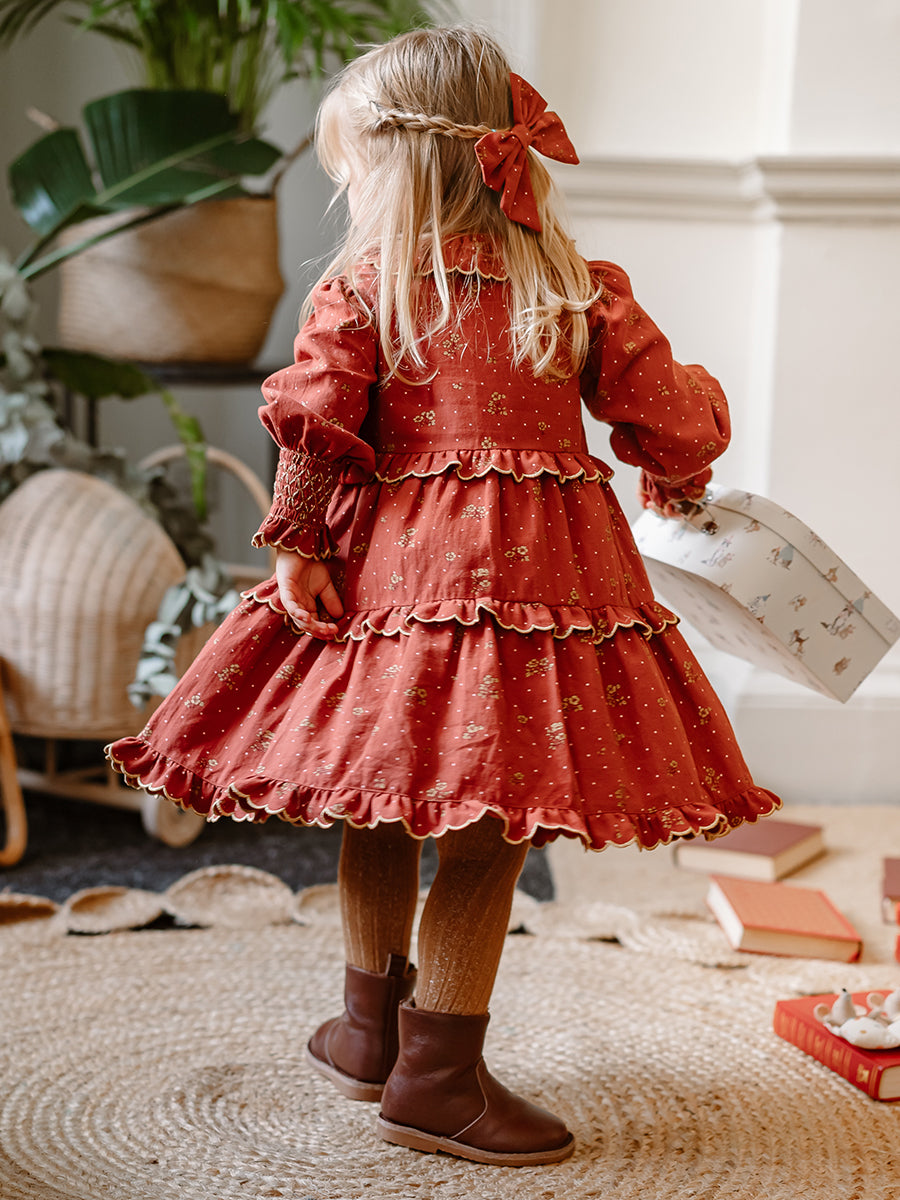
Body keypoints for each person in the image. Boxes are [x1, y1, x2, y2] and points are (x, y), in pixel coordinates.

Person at [108, 25, 781, 1167]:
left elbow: (316, 419)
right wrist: (680, 465)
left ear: (401, 165)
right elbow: (672, 417)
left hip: (393, 580)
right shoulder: (573, 288)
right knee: (483, 824)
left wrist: (300, 542)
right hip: (535, 586)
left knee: (385, 798)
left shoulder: (366, 285)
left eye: (354, 169)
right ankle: (422, 1066)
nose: (350, 193)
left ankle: (384, 1042)